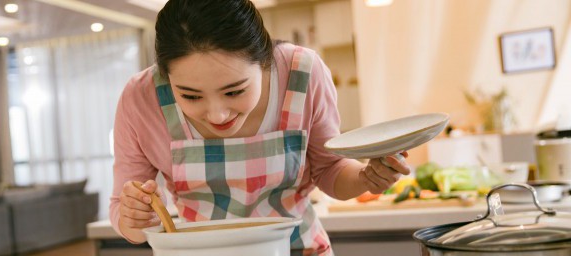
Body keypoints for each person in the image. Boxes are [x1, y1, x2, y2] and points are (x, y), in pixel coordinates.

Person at [110, 0, 411, 255]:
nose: (217, 114)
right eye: (190, 96)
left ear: (266, 61)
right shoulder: (141, 98)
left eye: (234, 91)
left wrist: (366, 177)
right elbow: (125, 215)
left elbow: (329, 171)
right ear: (165, 76)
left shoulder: (302, 74)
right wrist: (135, 218)